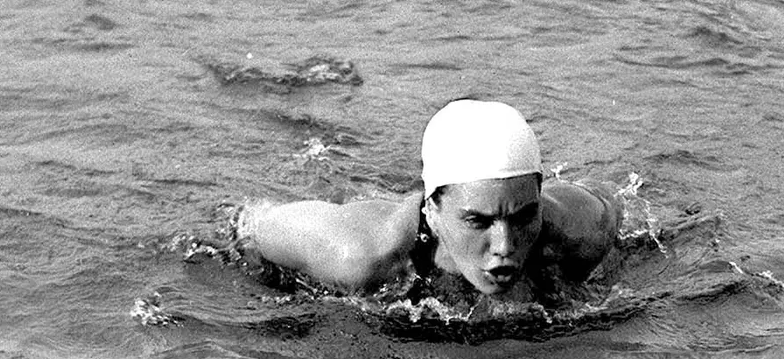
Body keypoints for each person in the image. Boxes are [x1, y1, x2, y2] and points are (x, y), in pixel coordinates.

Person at [236, 99, 623, 299]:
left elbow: (618, 199)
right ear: (432, 210)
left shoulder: (581, 233)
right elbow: (249, 224)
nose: (505, 246)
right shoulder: (360, 254)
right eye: (479, 221)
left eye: (523, 217)